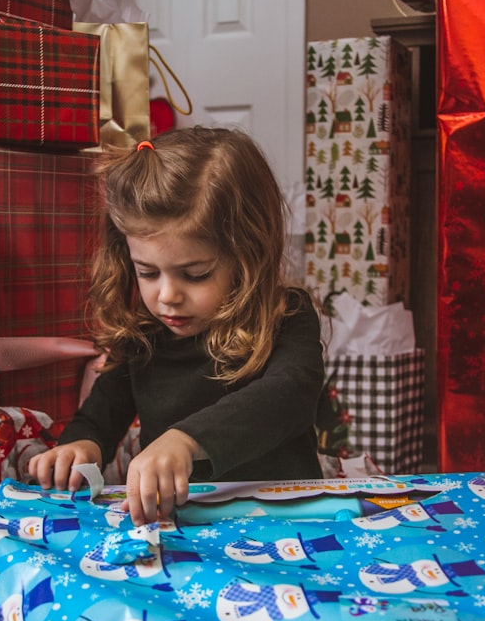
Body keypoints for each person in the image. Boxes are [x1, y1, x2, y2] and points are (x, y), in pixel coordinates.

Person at [29, 127, 325, 525]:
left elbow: (288, 396)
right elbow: (99, 418)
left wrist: (186, 441)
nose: (167, 295)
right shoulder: (144, 336)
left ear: (247, 254)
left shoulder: (286, 314)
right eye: (147, 272)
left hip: (284, 525)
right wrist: (80, 447)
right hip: (182, 531)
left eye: (196, 274)